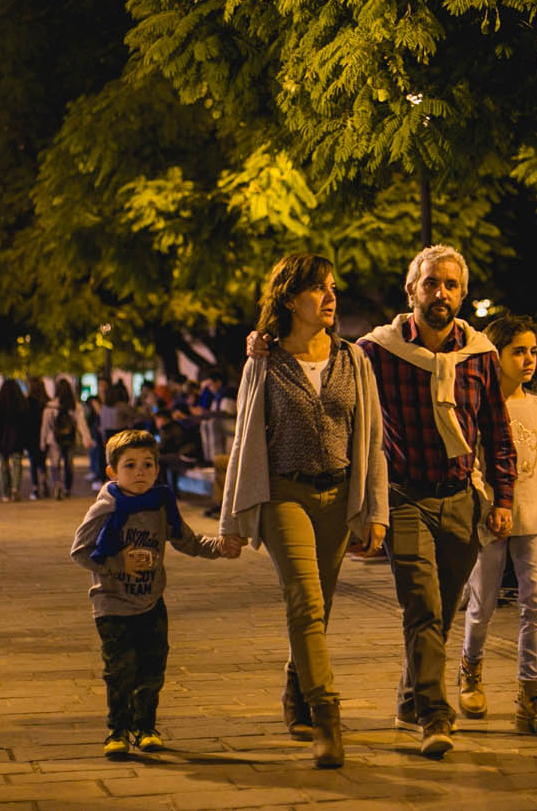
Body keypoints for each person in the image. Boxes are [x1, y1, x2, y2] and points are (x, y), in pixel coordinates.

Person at [250, 245, 517, 757]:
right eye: (431, 283)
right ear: (411, 290)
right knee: (420, 604)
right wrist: (262, 341)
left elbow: (497, 432)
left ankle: (409, 697)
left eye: (451, 285)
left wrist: (502, 498)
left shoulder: (480, 355)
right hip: (402, 496)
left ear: (462, 293)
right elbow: (321, 357)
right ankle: (434, 716)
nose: (441, 294)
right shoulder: (377, 351)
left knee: (440, 611)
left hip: (461, 497)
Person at [220, 253, 387, 768]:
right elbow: (245, 439)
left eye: (333, 287)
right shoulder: (263, 361)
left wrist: (375, 512)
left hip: (338, 497)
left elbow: (373, 439)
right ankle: (327, 718)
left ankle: (296, 687)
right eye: (318, 288)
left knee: (319, 607)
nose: (331, 297)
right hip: (283, 495)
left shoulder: (353, 359)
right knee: (306, 602)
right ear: (291, 298)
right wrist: (231, 519)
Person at [70, 429, 239, 757]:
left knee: (152, 670)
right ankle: (117, 731)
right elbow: (80, 551)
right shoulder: (105, 508)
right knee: (119, 671)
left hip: (151, 601)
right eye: (130, 465)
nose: (140, 472)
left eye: (148, 465)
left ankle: (145, 727)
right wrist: (119, 566)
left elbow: (187, 541)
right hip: (112, 603)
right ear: (112, 472)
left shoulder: (162, 505)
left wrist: (220, 547)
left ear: (157, 470)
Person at [458, 316, 537, 735]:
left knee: (535, 605)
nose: (528, 360)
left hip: (534, 519)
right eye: (518, 351)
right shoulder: (479, 406)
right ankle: (470, 668)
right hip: (492, 521)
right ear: (496, 354)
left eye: (533, 351)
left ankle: (531, 691)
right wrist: (487, 507)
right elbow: (471, 467)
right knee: (483, 601)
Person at [42, 378, 93, 500]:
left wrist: (43, 441)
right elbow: (81, 424)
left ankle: (57, 484)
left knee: (55, 463)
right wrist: (87, 438)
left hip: (54, 439)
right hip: (70, 438)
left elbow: (45, 426)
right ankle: (67, 489)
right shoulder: (74, 406)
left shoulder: (50, 406)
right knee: (68, 464)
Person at [0, 378, 31, 503]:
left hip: (2, 439)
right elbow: (27, 423)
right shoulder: (22, 404)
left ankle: (6, 493)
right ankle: (15, 488)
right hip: (17, 438)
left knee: (4, 465)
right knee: (17, 463)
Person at [25, 378, 50, 500]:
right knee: (42, 460)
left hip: (31, 436)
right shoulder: (47, 401)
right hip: (44, 435)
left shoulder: (28, 402)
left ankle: (35, 488)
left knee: (33, 463)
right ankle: (44, 480)